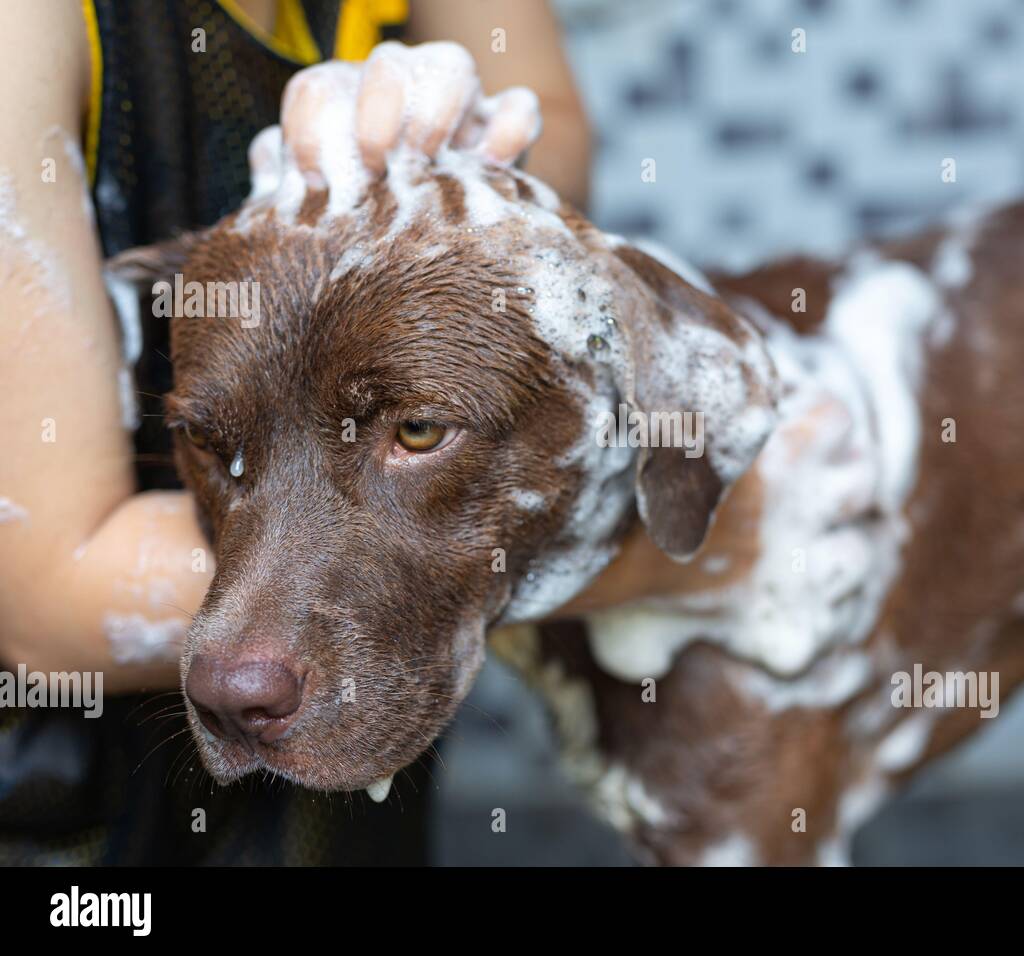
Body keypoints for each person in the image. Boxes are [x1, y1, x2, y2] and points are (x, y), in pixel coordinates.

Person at [0, 0, 589, 865]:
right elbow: (49, 606)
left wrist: (465, 180)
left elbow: (552, 117)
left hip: (360, 779)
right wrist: (684, 547)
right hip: (66, 808)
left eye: (418, 429)